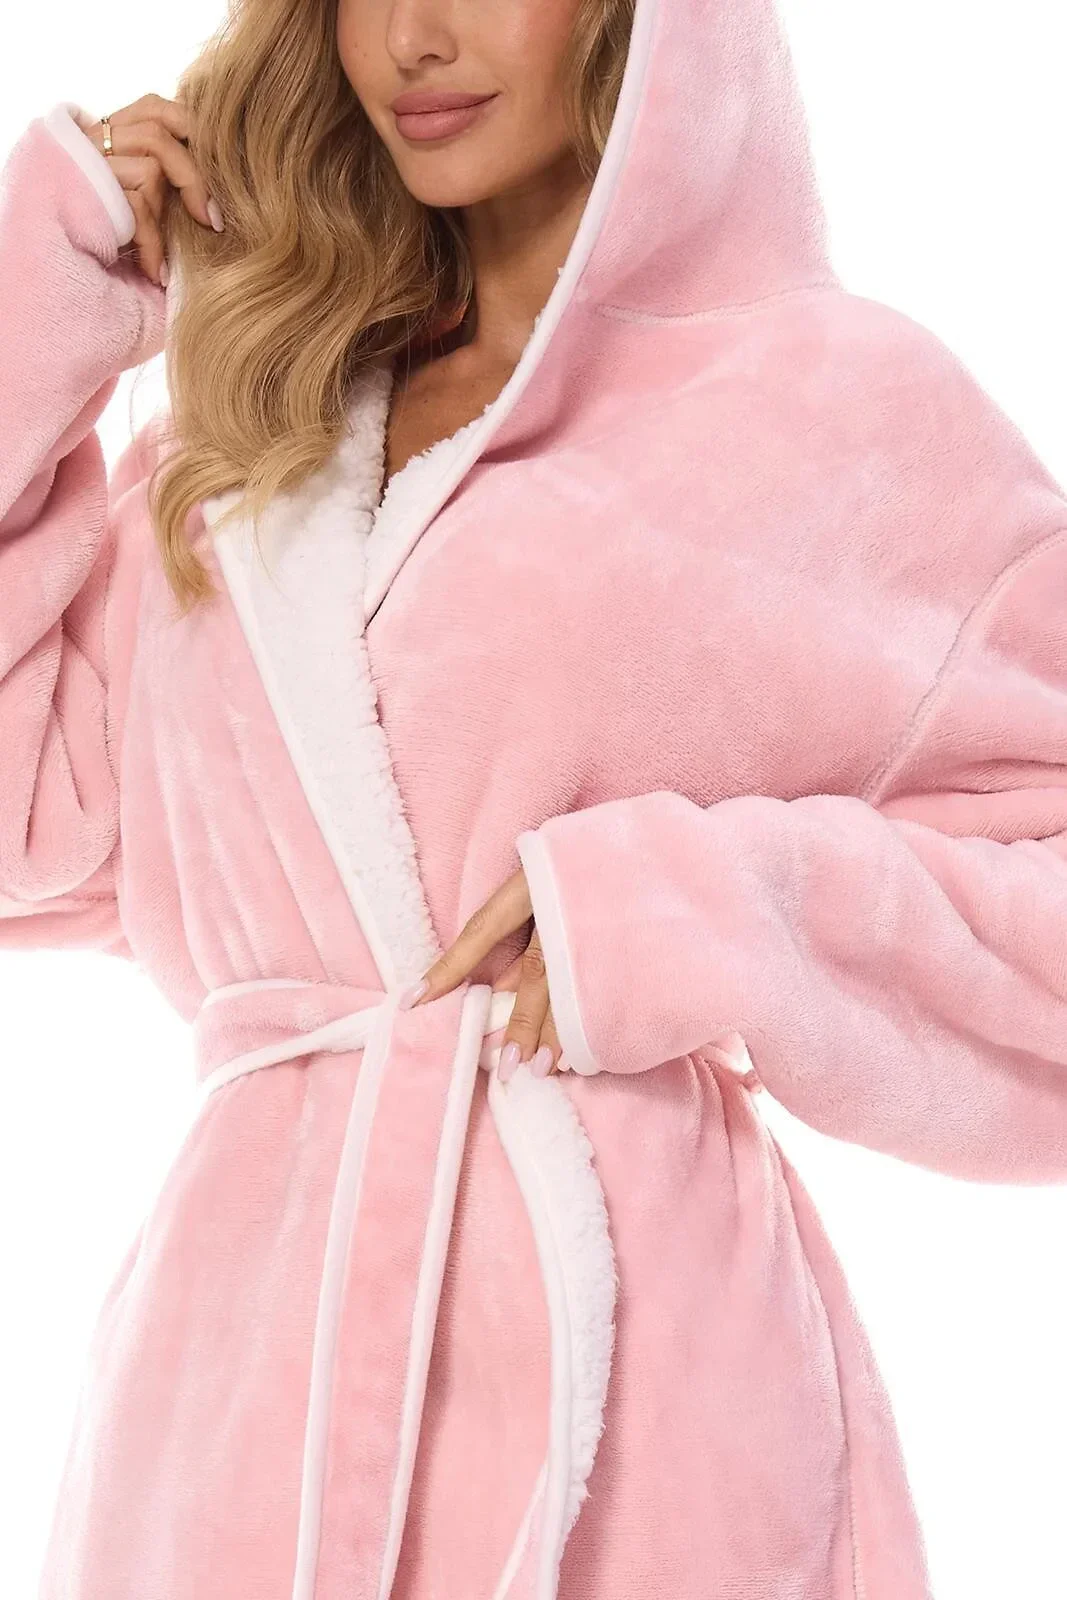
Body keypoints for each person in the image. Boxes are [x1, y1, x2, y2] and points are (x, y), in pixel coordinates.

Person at [2, 0, 1066, 1595]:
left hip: (638, 1393)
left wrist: (702, 910)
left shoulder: (836, 408)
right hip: (238, 1397)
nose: (414, 38)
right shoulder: (254, 431)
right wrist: (35, 316)